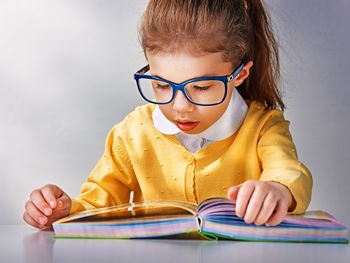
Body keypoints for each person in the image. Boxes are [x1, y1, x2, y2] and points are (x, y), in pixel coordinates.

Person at [23, 0, 312, 230]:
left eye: (200, 87)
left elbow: (287, 171)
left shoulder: (263, 127)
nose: (180, 106)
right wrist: (62, 210)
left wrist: (278, 190)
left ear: (240, 75)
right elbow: (99, 203)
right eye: (162, 85)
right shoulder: (133, 132)